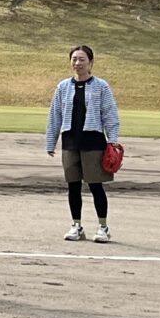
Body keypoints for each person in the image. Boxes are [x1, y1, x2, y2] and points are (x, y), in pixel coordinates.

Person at [47, 44, 119, 243]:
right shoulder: (63, 87)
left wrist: (113, 140)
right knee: (73, 186)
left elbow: (110, 114)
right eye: (74, 59)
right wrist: (51, 141)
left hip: (93, 142)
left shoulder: (101, 86)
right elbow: (55, 115)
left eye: (82, 59)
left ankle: (103, 227)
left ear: (90, 62)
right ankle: (76, 226)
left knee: (95, 186)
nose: (77, 63)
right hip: (70, 142)